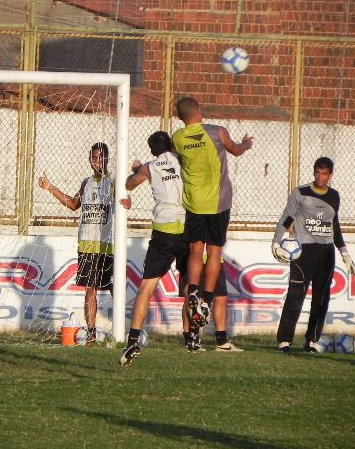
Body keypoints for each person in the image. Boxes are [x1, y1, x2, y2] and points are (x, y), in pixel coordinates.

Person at [171, 97, 253, 332]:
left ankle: (193, 290)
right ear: (198, 110)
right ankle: (206, 297)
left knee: (195, 250)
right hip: (218, 202)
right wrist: (247, 143)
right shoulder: (217, 132)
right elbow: (236, 151)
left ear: (181, 118)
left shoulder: (177, 138)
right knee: (214, 250)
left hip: (194, 203)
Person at [39, 142, 121, 346]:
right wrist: (51, 188)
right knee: (90, 289)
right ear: (90, 160)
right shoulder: (86, 183)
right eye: (93, 158)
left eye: (100, 157)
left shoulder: (114, 182)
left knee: (114, 288)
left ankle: (121, 332)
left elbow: (123, 203)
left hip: (107, 245)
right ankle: (91, 333)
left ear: (108, 159)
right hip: (87, 245)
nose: (97, 162)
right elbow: (74, 205)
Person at [271, 157, 355, 353]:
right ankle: (284, 340)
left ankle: (311, 340)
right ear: (314, 172)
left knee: (321, 299)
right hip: (303, 252)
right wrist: (276, 242)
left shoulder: (334, 196)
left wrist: (344, 252)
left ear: (330, 175)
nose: (320, 177)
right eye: (317, 172)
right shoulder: (301, 193)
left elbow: (334, 226)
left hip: (326, 253)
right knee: (295, 295)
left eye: (325, 173)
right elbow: (286, 218)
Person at [119, 131, 188, 365]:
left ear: (152, 151)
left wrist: (138, 169)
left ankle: (133, 340)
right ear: (171, 144)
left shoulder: (150, 166)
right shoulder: (183, 159)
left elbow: (129, 184)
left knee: (146, 286)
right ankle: (191, 339)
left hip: (163, 230)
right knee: (190, 284)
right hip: (187, 226)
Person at [181, 258, 243, 352]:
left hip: (201, 258)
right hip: (208, 258)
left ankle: (191, 340)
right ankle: (219, 341)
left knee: (195, 296)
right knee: (195, 297)